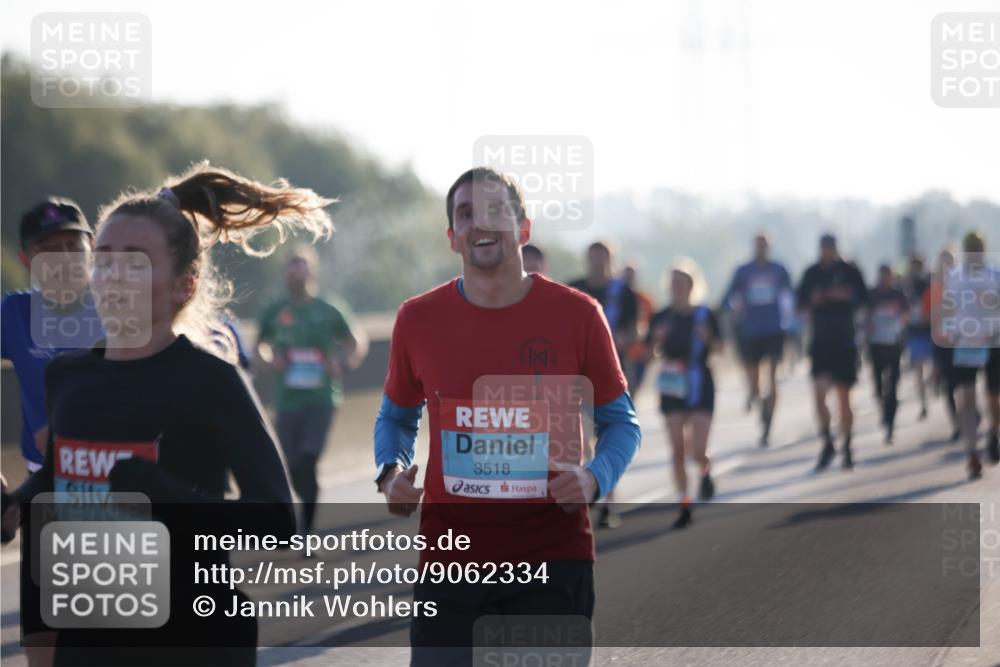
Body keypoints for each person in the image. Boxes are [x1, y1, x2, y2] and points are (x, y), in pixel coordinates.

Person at [3, 163, 330, 665]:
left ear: (184, 286)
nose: (112, 276)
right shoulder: (68, 376)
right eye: (104, 260)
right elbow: (65, 473)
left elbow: (275, 519)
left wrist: (173, 500)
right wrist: (16, 504)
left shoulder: (210, 381)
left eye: (134, 263)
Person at [373, 167, 641, 665]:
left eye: (496, 210)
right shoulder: (417, 319)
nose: (481, 223)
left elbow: (621, 423)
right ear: (453, 237)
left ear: (524, 228)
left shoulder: (579, 315)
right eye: (466, 214)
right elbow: (396, 417)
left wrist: (594, 478)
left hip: (552, 559)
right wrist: (390, 472)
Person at [1, 197, 104, 667]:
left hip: (121, 486)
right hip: (46, 494)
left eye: (72, 245)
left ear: (93, 249)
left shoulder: (126, 306)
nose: (62, 259)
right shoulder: (15, 314)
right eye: (48, 249)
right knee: (44, 647)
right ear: (28, 260)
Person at [256, 245, 368, 534]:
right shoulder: (275, 311)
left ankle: (305, 530)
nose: (296, 270)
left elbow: (356, 340)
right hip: (287, 401)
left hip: (321, 399)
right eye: (291, 265)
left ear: (312, 270)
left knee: (308, 457)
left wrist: (341, 362)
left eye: (302, 264)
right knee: (290, 466)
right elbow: (260, 347)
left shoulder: (328, 308)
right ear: (285, 272)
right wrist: (272, 359)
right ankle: (301, 520)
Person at [647, 258, 722, 529]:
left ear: (693, 285)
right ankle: (684, 503)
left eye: (683, 283)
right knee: (678, 449)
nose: (678, 288)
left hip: (700, 381)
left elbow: (721, 348)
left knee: (697, 451)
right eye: (674, 283)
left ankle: (705, 470)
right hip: (671, 384)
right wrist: (657, 338)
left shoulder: (705, 314)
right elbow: (648, 352)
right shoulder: (662, 316)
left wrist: (708, 339)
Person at [569, 242, 638, 528]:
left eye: (603, 257)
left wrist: (622, 339)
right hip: (577, 377)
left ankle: (609, 500)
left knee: (609, 436)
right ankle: (587, 496)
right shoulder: (574, 289)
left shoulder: (624, 293)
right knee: (582, 440)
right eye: (593, 256)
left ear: (611, 259)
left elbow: (635, 330)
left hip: (612, 374)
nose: (597, 262)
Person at [796, 234, 869, 471]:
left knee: (844, 397)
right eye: (824, 248)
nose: (827, 252)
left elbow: (864, 299)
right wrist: (814, 299)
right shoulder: (811, 273)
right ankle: (827, 439)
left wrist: (845, 295)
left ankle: (847, 443)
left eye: (831, 248)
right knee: (818, 395)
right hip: (820, 342)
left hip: (845, 341)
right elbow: (799, 303)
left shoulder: (850, 271)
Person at [722, 233, 793, 445]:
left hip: (774, 329)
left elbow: (790, 296)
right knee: (754, 383)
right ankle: (758, 400)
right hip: (751, 330)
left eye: (765, 245)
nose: (761, 248)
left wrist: (790, 322)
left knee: (772, 378)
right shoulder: (743, 271)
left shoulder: (779, 270)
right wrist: (733, 308)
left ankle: (767, 424)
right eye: (758, 245)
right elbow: (728, 298)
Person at [940, 232, 1000, 479]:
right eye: (970, 248)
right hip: (965, 342)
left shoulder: (994, 275)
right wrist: (947, 329)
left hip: (993, 340)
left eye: (978, 247)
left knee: (993, 398)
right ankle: (971, 453)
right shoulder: (954, 277)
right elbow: (947, 307)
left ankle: (994, 434)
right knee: (965, 398)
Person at [867, 264, 909, 444]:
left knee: (892, 385)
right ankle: (882, 406)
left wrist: (899, 322)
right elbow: (865, 315)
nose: (885, 279)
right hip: (876, 345)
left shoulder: (898, 294)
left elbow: (907, 313)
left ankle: (890, 423)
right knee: (878, 385)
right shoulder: (873, 294)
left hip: (894, 345)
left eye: (888, 276)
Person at [927, 249, 961, 441]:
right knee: (949, 387)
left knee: (964, 383)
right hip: (942, 342)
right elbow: (927, 317)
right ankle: (957, 424)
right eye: (943, 264)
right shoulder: (934, 288)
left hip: (962, 341)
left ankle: (973, 414)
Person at [903, 255, 932, 419]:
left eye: (918, 266)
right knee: (918, 371)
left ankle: (934, 385)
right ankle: (923, 403)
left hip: (930, 332)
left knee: (934, 369)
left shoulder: (929, 283)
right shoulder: (906, 286)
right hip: (914, 333)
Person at [622, 264, 654, 398]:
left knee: (632, 392)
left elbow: (652, 326)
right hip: (622, 353)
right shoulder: (617, 298)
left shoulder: (645, 300)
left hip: (638, 355)